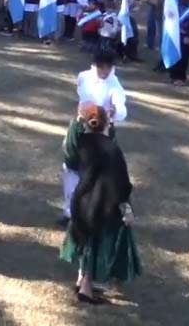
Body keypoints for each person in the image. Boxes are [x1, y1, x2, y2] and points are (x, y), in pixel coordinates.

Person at [60, 103, 141, 305]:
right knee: (96, 245)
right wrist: (126, 207)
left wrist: (77, 122)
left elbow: (69, 155)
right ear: (106, 124)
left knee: (84, 240)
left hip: (82, 201)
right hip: (103, 204)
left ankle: (80, 279)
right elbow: (121, 181)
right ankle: (86, 290)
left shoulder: (81, 143)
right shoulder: (111, 148)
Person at [60, 50, 128, 225]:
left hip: (101, 132)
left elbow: (120, 108)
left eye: (108, 68)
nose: (104, 71)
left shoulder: (114, 85)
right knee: (70, 168)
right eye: (101, 67)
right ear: (95, 65)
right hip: (80, 128)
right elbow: (81, 98)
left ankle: (92, 212)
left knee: (97, 173)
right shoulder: (83, 77)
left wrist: (115, 111)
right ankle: (69, 212)